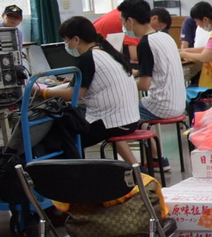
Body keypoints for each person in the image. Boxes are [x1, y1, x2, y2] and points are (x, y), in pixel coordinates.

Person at [34, 16, 139, 164]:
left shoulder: (87, 58)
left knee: (58, 134)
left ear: (76, 39)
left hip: (111, 123)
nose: (66, 44)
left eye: (65, 39)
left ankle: (71, 174)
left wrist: (42, 92)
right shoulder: (106, 51)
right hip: (129, 119)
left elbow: (73, 94)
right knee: (70, 120)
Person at [118, 0, 185, 171]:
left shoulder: (145, 43)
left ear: (130, 21)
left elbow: (144, 85)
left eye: (123, 22)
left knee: (120, 116)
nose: (123, 26)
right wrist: (136, 74)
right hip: (179, 102)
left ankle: (136, 167)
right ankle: (157, 159)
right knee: (136, 114)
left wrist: (122, 85)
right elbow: (157, 68)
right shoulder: (165, 36)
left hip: (162, 105)